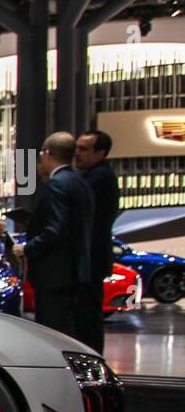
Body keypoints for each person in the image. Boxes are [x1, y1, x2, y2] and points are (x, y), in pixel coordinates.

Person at [14, 132, 93, 341]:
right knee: (69, 331)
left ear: (47, 153)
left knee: (53, 334)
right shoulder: (80, 182)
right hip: (74, 271)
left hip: (54, 275)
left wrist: (27, 248)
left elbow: (54, 230)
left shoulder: (57, 184)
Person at [74, 129, 119, 354]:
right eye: (76, 148)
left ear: (101, 153)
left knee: (87, 319)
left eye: (84, 149)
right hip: (91, 259)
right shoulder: (95, 176)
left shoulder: (98, 178)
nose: (77, 153)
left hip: (90, 260)